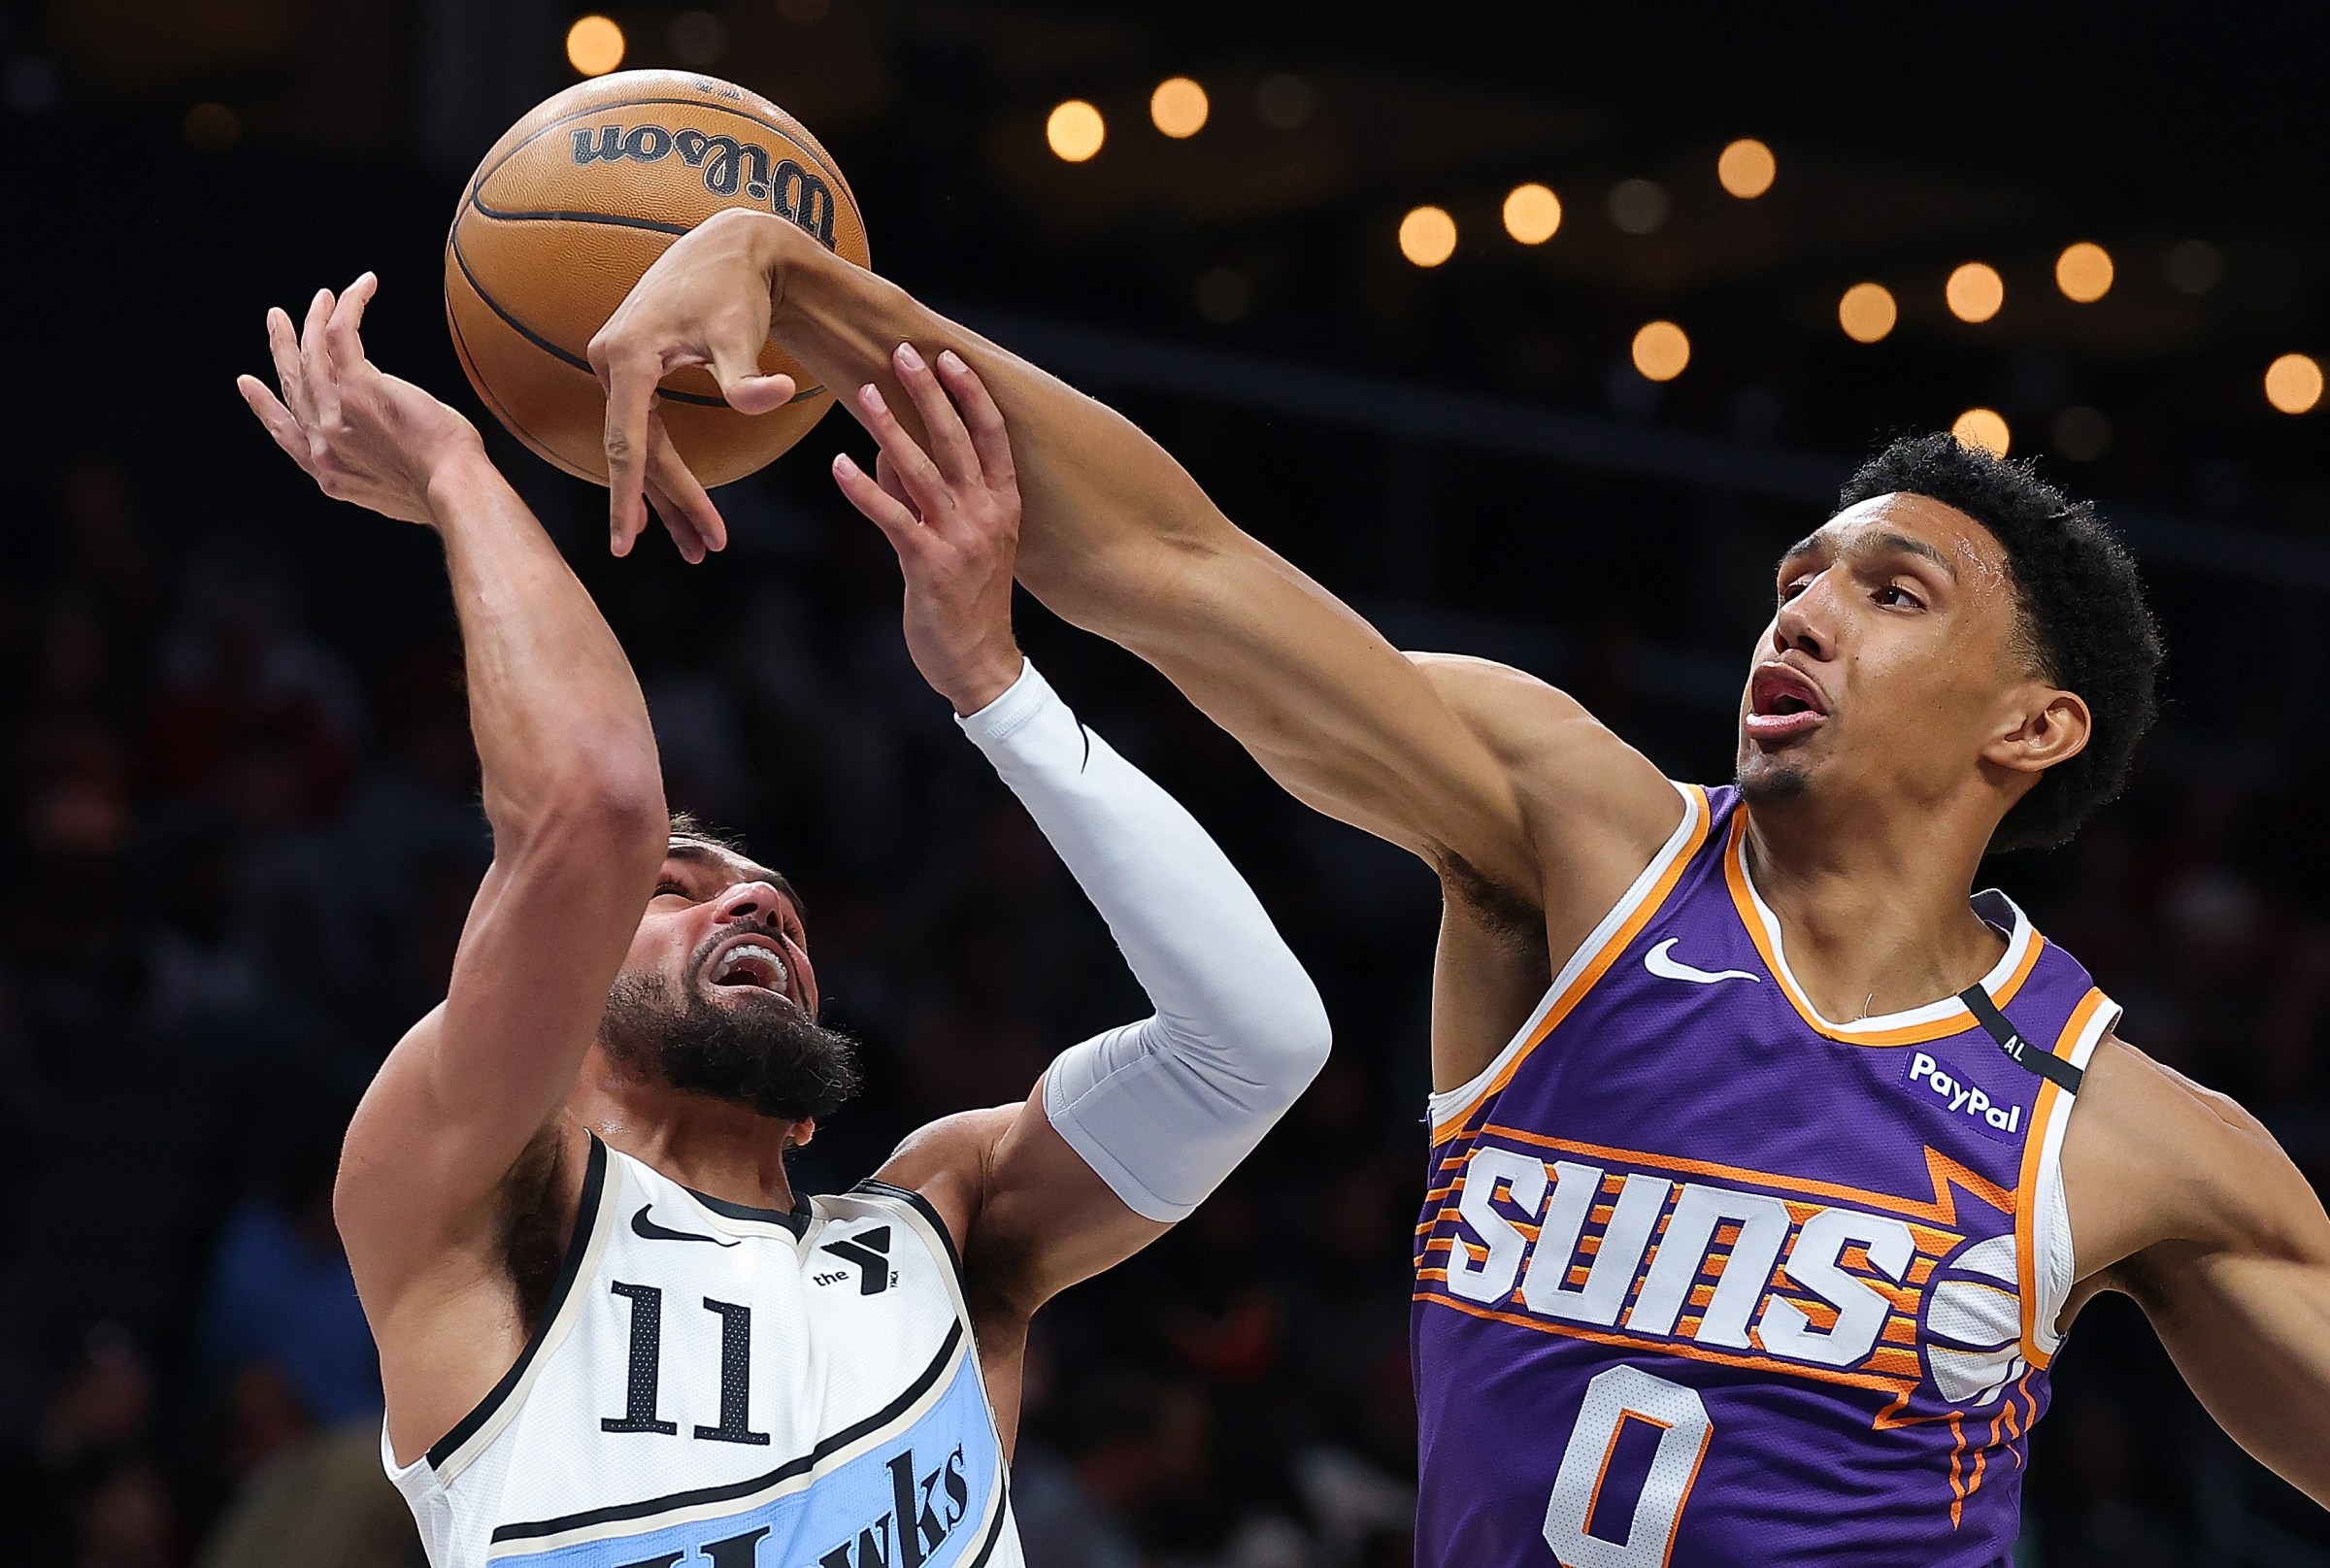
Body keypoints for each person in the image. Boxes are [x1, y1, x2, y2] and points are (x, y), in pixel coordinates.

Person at [583, 208, 2330, 1565]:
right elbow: (1183, 567)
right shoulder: (1579, 843)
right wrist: (795, 279)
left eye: (1893, 595)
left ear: (2036, 724)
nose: (1797, 611)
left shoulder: (2124, 1136)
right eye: (1798, 576)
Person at [233, 275, 1331, 1568]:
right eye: (673, 892)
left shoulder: (951, 1222)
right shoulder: (483, 1194)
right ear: (554, 1013)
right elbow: (592, 806)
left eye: (776, 907)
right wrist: (454, 470)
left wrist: (995, 684)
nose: (754, 897)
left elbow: (1256, 1043)